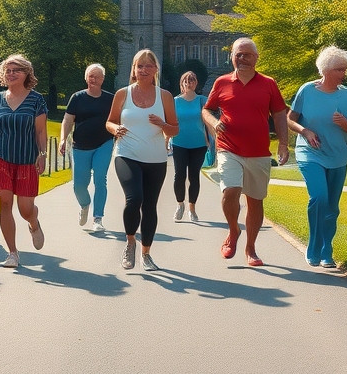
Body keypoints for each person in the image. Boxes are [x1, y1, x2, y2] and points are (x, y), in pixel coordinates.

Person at [202, 38, 289, 267]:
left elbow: (280, 114)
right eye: (237, 54)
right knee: (230, 191)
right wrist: (213, 121)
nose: (241, 58)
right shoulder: (221, 82)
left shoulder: (268, 83)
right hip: (228, 147)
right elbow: (207, 109)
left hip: (259, 152)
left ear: (256, 58)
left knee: (255, 201)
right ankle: (233, 231)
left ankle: (251, 249)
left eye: (246, 54)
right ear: (231, 57)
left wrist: (282, 143)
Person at [286, 47, 347, 268]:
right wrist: (306, 132)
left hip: (338, 156)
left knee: (331, 206)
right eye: (340, 69)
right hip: (310, 152)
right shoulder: (307, 91)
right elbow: (290, 120)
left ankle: (326, 249)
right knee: (319, 197)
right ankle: (314, 247)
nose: (344, 73)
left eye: (345, 69)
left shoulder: (346, 94)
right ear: (327, 70)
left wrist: (345, 124)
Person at [106, 49, 179, 271]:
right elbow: (109, 122)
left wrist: (162, 125)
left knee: (149, 206)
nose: (144, 70)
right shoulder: (122, 94)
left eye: (148, 66)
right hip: (126, 153)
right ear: (134, 70)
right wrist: (115, 128)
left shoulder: (164, 96)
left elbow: (175, 130)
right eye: (139, 66)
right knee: (134, 198)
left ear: (156, 69)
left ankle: (146, 253)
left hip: (156, 158)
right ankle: (130, 244)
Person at [0, 55, 48, 268]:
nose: (11, 73)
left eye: (16, 70)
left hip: (27, 159)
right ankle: (13, 253)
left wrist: (42, 154)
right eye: (8, 70)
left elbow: (40, 131)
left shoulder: (37, 100)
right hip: (0, 157)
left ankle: (34, 223)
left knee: (25, 209)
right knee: (5, 203)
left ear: (27, 73)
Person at [60, 63, 115, 233]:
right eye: (91, 76)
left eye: (97, 76)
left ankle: (98, 218)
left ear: (103, 79)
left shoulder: (110, 99)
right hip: (80, 146)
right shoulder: (77, 98)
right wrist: (63, 139)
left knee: (100, 179)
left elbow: (116, 119)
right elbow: (68, 120)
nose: (93, 79)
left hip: (104, 144)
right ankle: (85, 205)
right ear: (86, 78)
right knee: (79, 186)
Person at [171, 71, 212, 224]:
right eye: (187, 80)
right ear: (182, 83)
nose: (190, 83)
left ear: (196, 83)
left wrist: (210, 140)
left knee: (194, 176)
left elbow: (209, 120)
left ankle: (192, 208)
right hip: (179, 142)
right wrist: (166, 140)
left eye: (193, 80)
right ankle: (180, 204)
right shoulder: (175, 101)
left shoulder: (202, 100)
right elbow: (170, 122)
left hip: (199, 144)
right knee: (179, 175)